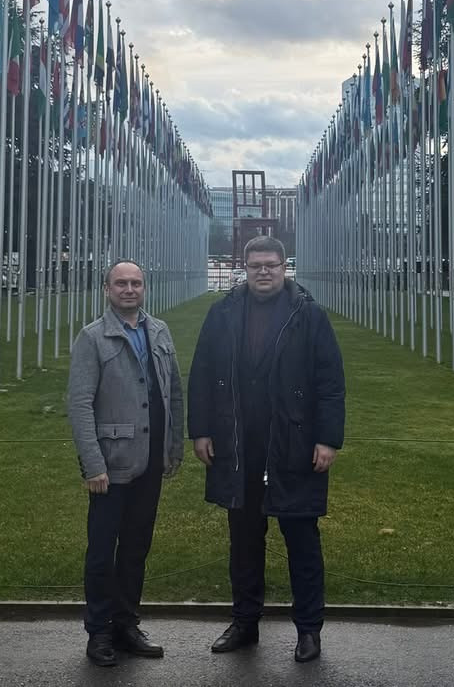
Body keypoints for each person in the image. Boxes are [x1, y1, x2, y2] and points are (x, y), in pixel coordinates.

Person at [187, 235, 345, 664]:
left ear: (283, 267)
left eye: (271, 265)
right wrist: (201, 431)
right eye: (255, 265)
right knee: (243, 542)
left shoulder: (308, 314)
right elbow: (202, 375)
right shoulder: (222, 313)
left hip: (294, 446)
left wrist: (328, 439)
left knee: (302, 542)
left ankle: (309, 631)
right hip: (238, 446)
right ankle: (245, 623)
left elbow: (330, 382)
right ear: (245, 268)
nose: (263, 271)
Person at [66, 261, 184, 667]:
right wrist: (92, 464)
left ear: (144, 288)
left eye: (136, 283)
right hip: (111, 466)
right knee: (102, 553)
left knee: (136, 548)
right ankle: (99, 631)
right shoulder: (92, 338)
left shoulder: (160, 331)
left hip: (150, 462)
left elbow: (174, 393)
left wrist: (173, 447)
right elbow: (79, 403)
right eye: (121, 283)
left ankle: (126, 625)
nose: (129, 289)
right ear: (107, 290)